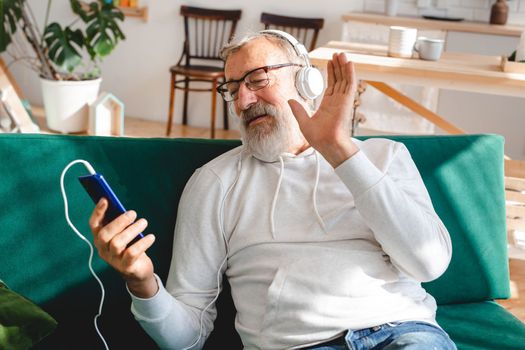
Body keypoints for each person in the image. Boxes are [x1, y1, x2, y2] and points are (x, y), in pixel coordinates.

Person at [89, 30, 456, 350]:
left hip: (404, 334)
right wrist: (141, 281)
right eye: (232, 89)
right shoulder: (215, 183)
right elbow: (188, 338)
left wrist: (340, 152)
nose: (243, 101)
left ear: (306, 81)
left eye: (257, 80)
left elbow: (429, 263)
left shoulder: (383, 156)